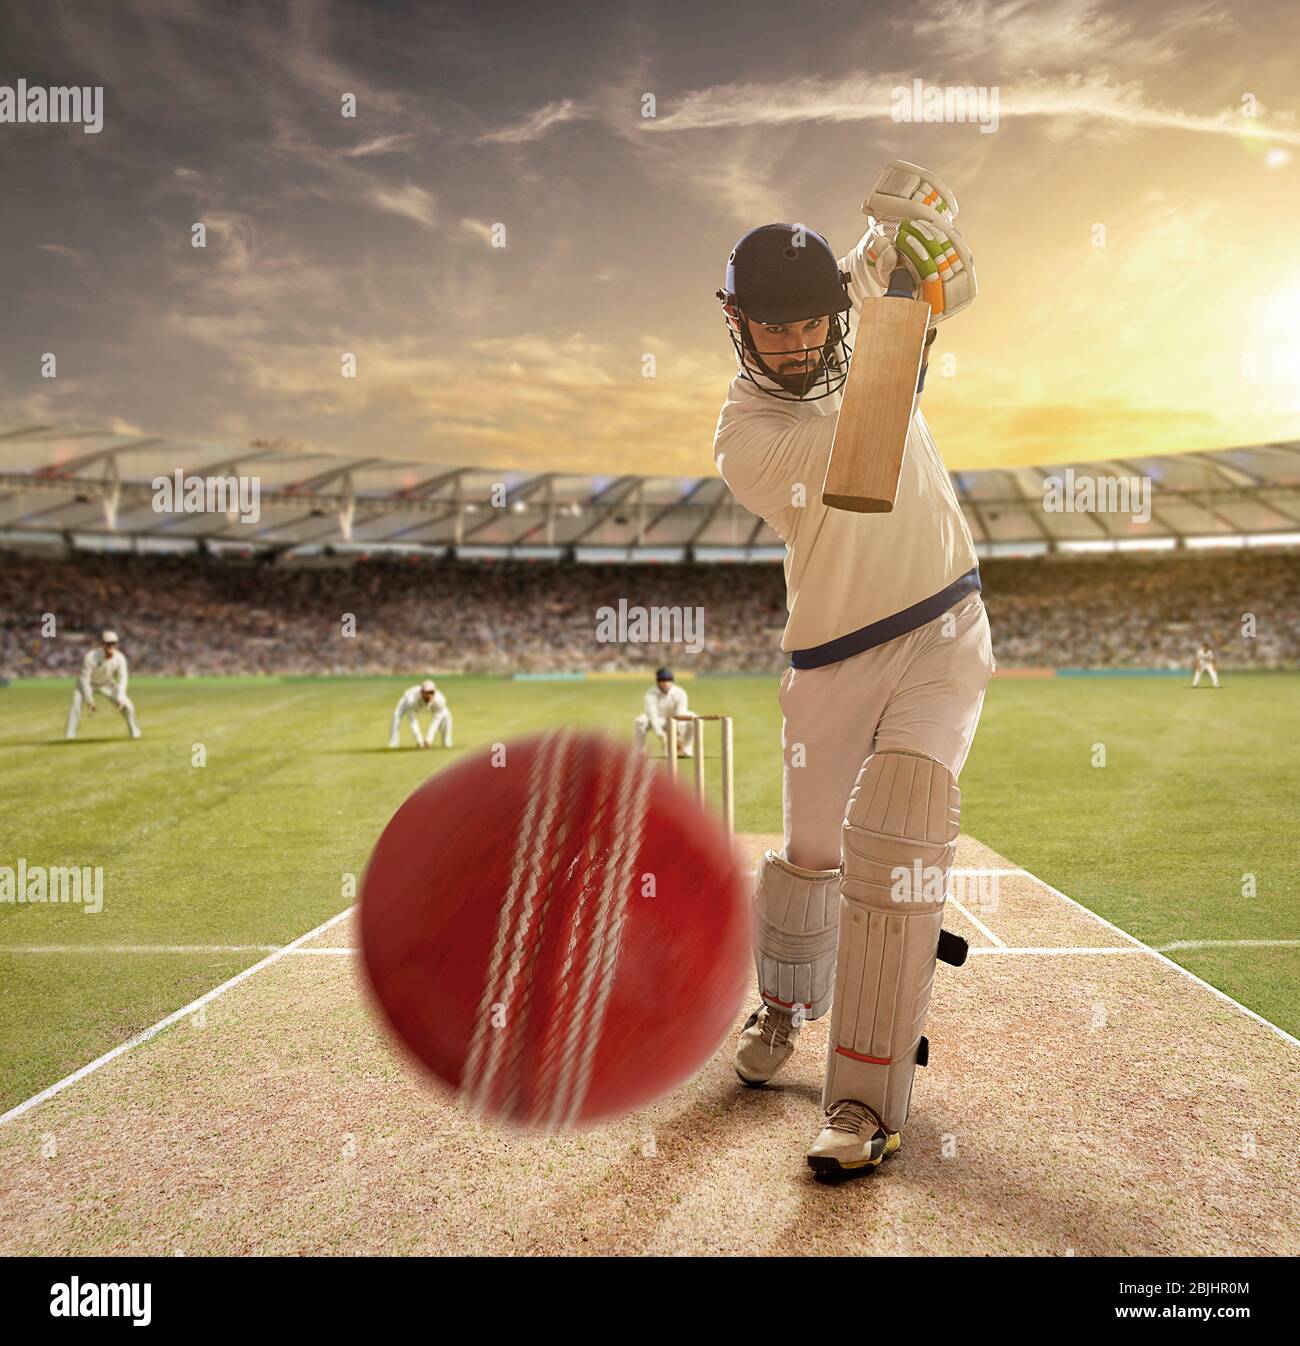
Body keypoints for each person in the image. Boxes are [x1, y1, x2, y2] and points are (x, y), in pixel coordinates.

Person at [713, 163, 993, 1177]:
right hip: (829, 657)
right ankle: (784, 1004)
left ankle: (862, 1099)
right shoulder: (744, 436)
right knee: (814, 854)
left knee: (902, 826)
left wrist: (920, 247)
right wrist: (904, 308)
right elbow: (862, 463)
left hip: (943, 622)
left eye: (808, 322)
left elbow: (921, 263)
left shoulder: (853, 312)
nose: (793, 343)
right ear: (733, 321)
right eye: (770, 327)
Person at [66, 630, 141, 739]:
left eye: (113, 643)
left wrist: (120, 696)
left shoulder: (120, 658)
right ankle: (70, 736)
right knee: (75, 705)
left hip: (106, 683)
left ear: (116, 644)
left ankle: (135, 733)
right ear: (103, 643)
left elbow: (123, 678)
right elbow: (85, 679)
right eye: (108, 643)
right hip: (87, 683)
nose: (111, 645)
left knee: (128, 706)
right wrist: (90, 701)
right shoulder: (91, 657)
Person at [634, 667, 694, 757]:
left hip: (675, 720)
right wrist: (661, 735)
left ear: (672, 681)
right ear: (658, 681)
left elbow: (680, 713)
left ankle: (686, 749)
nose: (666, 683)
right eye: (663, 680)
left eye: (668, 680)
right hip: (659, 720)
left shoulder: (680, 693)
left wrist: (678, 735)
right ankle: (640, 751)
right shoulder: (650, 694)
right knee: (640, 720)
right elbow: (652, 715)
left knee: (693, 718)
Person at [388, 679, 453, 749]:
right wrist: (420, 741)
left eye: (432, 692)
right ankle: (393, 744)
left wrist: (429, 739)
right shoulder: (411, 700)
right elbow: (412, 721)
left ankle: (447, 742)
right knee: (396, 716)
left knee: (447, 716)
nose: (430, 695)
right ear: (422, 692)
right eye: (427, 692)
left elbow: (436, 720)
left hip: (431, 705)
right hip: (407, 702)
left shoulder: (440, 700)